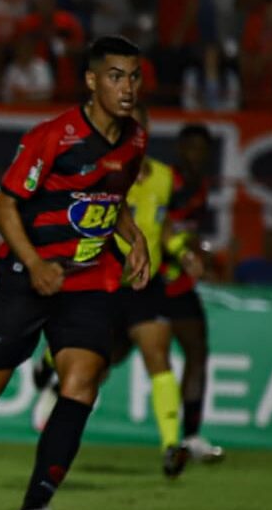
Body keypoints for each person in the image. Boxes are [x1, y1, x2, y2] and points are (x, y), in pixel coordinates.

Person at [0, 36, 150, 510]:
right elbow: (3, 204)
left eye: (133, 76)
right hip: (28, 279)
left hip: (87, 280)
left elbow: (115, 200)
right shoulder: (54, 136)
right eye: (115, 75)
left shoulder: (134, 140)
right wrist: (35, 262)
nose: (127, 87)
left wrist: (134, 240)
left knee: (82, 382)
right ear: (91, 81)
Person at [31, 104, 203, 478]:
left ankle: (172, 445)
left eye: (143, 127)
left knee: (158, 354)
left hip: (145, 284)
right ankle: (47, 366)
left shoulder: (163, 178)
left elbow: (167, 227)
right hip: (102, 279)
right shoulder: (100, 170)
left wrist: (181, 251)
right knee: (94, 364)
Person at [160, 123, 225, 463]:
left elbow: (190, 230)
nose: (197, 156)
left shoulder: (201, 188)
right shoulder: (165, 180)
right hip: (151, 279)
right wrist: (183, 254)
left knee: (197, 349)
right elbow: (157, 225)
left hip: (180, 284)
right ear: (180, 149)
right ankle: (56, 380)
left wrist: (201, 252)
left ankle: (192, 435)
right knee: (113, 352)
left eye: (203, 150)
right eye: (192, 148)